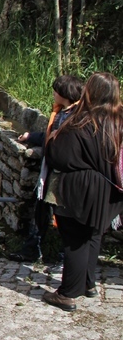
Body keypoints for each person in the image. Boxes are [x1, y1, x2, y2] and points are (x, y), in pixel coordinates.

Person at [42, 72, 123, 311]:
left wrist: (53, 138)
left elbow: (60, 156)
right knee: (92, 235)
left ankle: (68, 293)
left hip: (80, 189)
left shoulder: (82, 120)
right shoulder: (118, 120)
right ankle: (88, 283)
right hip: (110, 191)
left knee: (75, 240)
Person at [10, 75, 83, 264]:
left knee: (65, 219)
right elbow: (50, 136)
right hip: (50, 172)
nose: (53, 93)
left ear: (63, 94)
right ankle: (32, 250)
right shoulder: (60, 112)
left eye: (55, 90)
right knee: (40, 213)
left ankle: (64, 258)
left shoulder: (76, 116)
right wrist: (32, 136)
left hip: (64, 175)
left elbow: (62, 141)